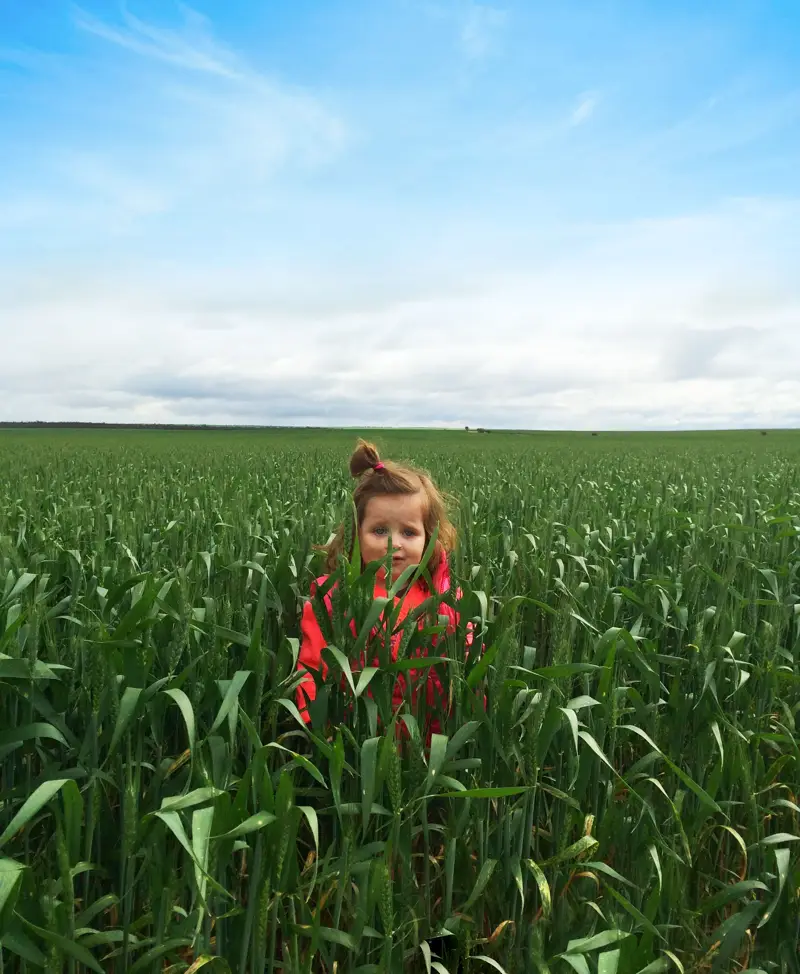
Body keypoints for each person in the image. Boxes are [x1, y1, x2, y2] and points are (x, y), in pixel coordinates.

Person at [295, 439, 462, 733]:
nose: (393, 544)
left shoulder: (443, 599)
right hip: (354, 741)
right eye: (379, 530)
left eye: (409, 532)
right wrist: (317, 726)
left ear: (429, 538)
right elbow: (312, 671)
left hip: (429, 741)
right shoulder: (331, 600)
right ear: (356, 535)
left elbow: (465, 664)